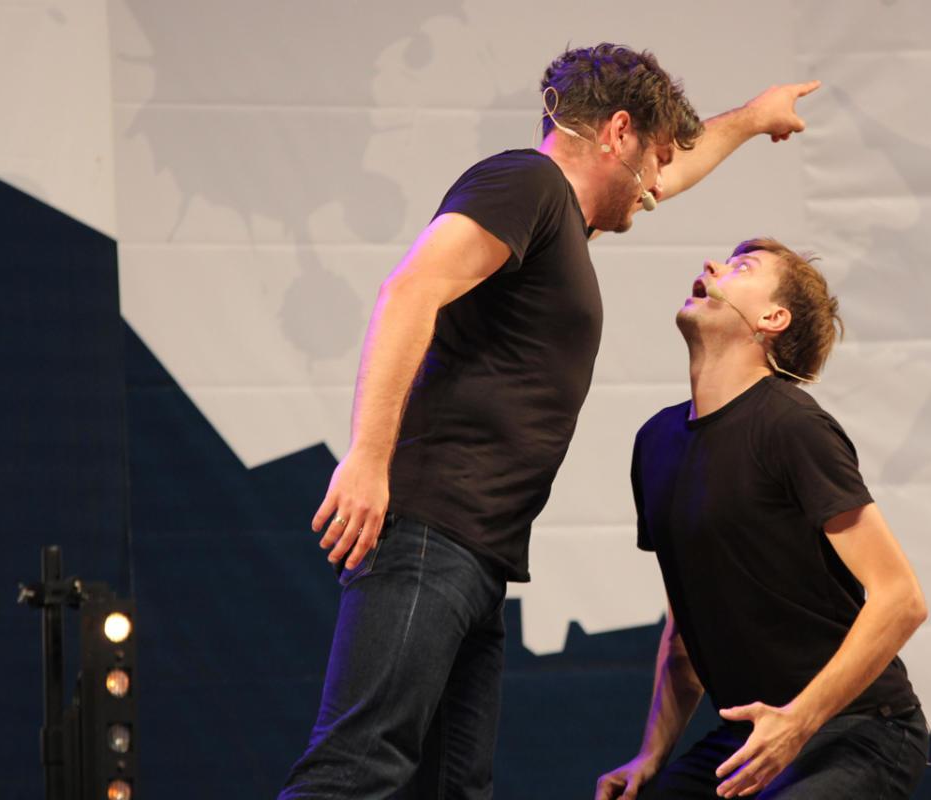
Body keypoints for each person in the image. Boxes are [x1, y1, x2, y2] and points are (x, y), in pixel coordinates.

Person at [279, 43, 821, 799]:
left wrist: (755, 118)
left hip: (476, 558)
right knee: (356, 770)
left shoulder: (560, 222)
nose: (657, 189)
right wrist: (369, 457)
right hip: (431, 530)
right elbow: (409, 292)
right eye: (654, 161)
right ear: (619, 132)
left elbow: (671, 175)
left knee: (453, 789)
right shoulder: (526, 183)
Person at [595, 238, 929, 799]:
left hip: (859, 729)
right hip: (752, 735)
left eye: (741, 267)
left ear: (772, 319)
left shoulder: (791, 425)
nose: (712, 266)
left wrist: (798, 722)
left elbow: (902, 598)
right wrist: (650, 755)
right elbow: (685, 633)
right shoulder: (656, 441)